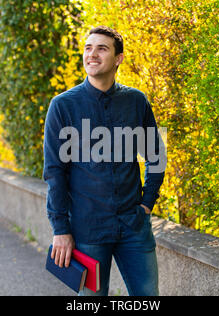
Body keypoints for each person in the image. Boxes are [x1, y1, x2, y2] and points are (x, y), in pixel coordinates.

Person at [43, 26, 166, 296]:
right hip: (87, 230)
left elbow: (155, 156)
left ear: (118, 58)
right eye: (88, 48)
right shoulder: (63, 106)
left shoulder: (136, 101)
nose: (92, 54)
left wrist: (147, 204)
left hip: (133, 226)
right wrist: (60, 228)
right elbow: (54, 172)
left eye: (102, 48)